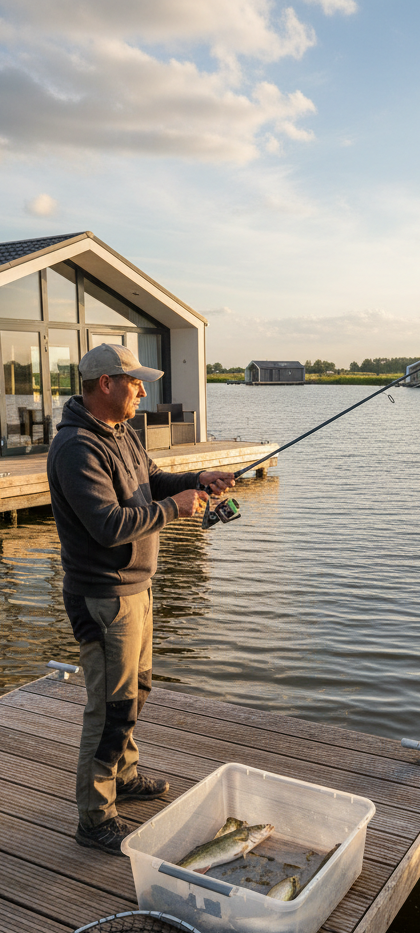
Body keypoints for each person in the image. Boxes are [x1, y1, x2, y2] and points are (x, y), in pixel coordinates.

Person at [47, 343, 235, 855]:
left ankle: (123, 777)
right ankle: (94, 817)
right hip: (103, 598)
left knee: (137, 693)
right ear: (104, 384)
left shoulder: (121, 432)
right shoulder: (76, 447)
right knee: (109, 709)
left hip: (136, 589)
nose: (143, 391)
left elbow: (151, 481)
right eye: (135, 382)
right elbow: (108, 526)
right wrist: (176, 508)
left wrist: (197, 480)